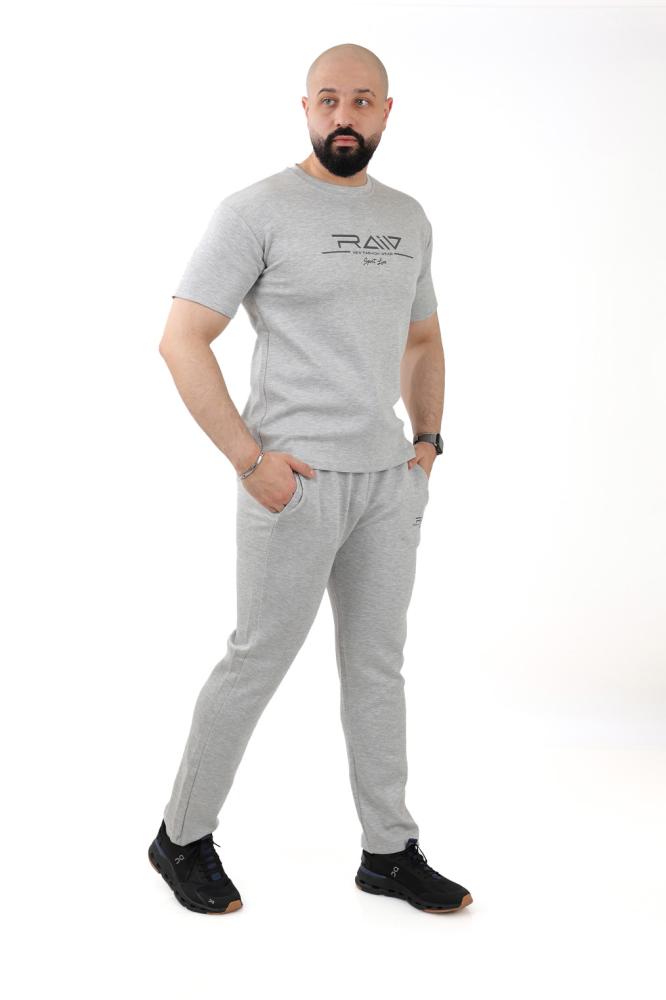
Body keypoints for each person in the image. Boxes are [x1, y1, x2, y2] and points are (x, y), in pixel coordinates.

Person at [148, 42, 473, 916]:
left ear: (386, 112)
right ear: (305, 108)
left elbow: (422, 339)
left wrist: (427, 445)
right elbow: (182, 339)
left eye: (362, 100)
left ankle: (389, 851)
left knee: (377, 670)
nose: (344, 115)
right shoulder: (255, 211)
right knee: (257, 660)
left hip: (386, 486)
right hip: (293, 484)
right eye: (328, 99)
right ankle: (180, 837)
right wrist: (249, 461)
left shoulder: (407, 217)